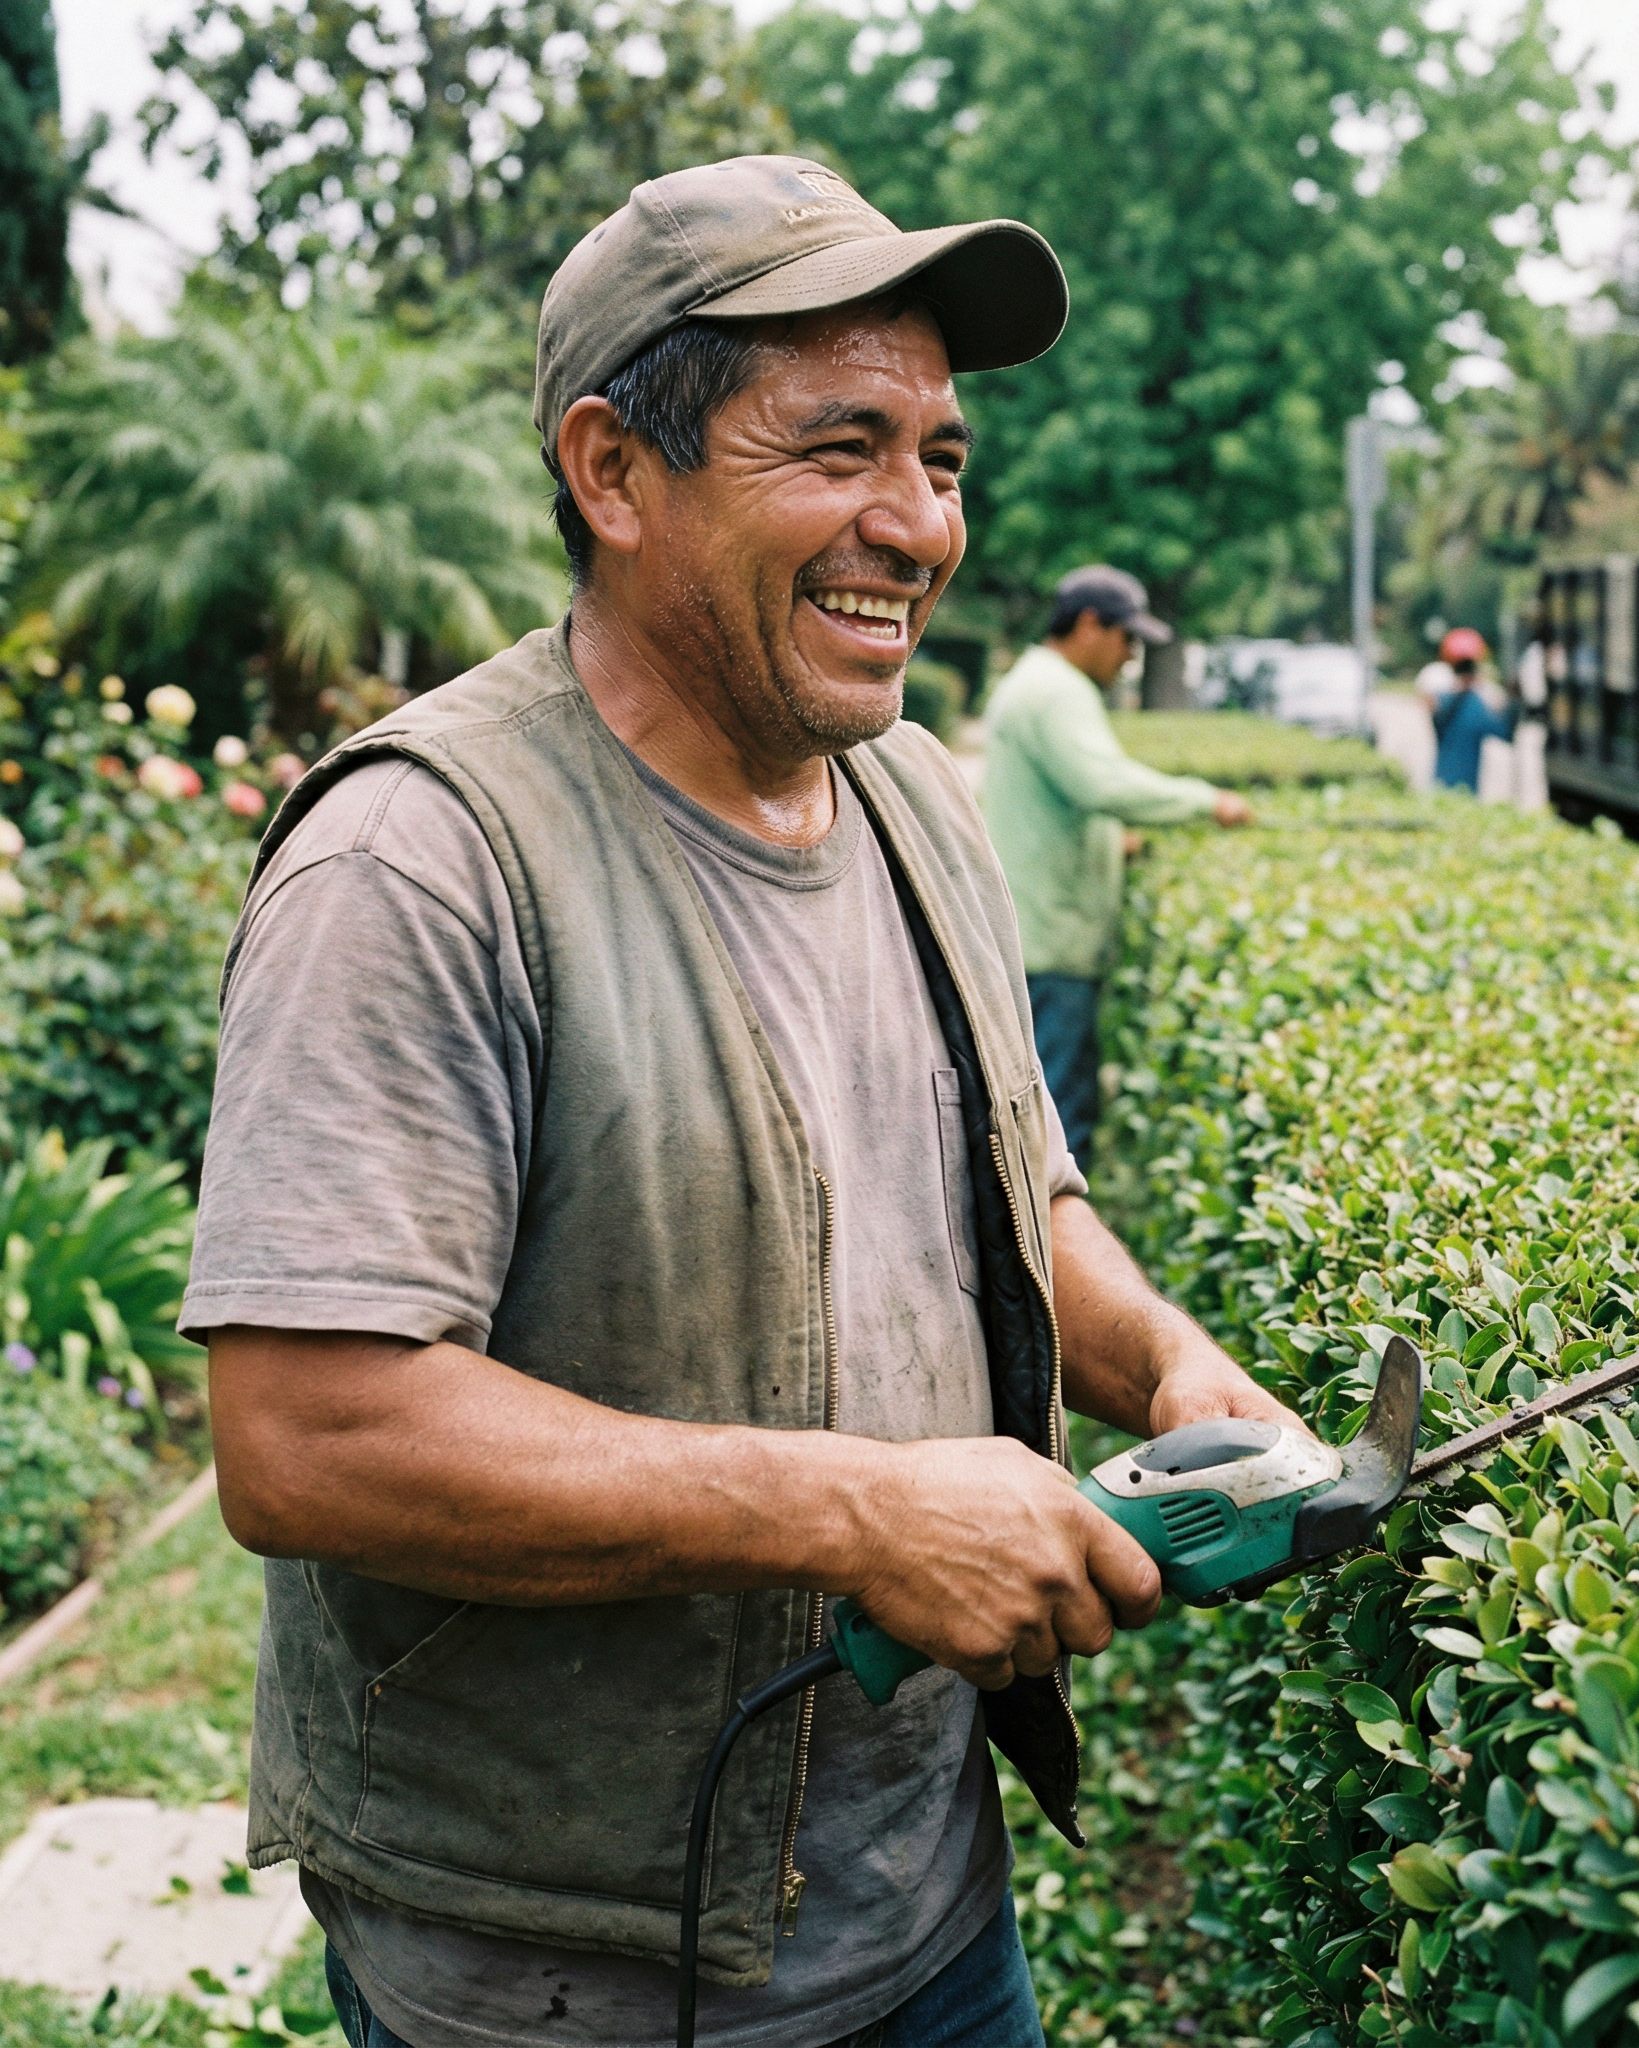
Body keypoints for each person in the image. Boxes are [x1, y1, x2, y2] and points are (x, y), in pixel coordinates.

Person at [185, 155, 1303, 2048]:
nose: (915, 525)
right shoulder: (420, 861)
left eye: (940, 458)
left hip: (931, 1915)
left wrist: (1171, 1367)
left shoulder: (917, 800)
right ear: (613, 471)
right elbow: (306, 1433)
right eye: (840, 446)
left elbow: (1012, 1194)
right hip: (562, 1971)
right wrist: (854, 1511)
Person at [978, 568, 1249, 1169]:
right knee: (1057, 1136)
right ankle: (1050, 1262)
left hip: (1037, 929)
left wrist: (1111, 842)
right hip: (1053, 941)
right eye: (1126, 637)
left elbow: (1060, 793)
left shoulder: (1036, 681)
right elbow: (1100, 782)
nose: (1131, 656)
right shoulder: (1057, 691)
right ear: (1089, 624)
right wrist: (1209, 802)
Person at [1431, 633, 1515, 793]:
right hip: (1465, 786)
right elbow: (1504, 732)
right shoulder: (1475, 705)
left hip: (1439, 781)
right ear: (1474, 675)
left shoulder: (1442, 699)